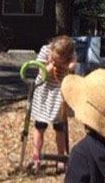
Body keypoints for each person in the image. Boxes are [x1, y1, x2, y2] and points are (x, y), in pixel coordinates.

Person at [28, 35, 76, 172]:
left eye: (59, 59)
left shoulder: (72, 55)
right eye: (54, 56)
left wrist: (69, 66)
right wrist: (50, 65)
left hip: (59, 94)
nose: (56, 60)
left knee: (60, 127)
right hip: (44, 91)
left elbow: (72, 67)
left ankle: (61, 159)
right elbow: (41, 71)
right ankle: (36, 158)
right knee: (39, 126)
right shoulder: (45, 50)